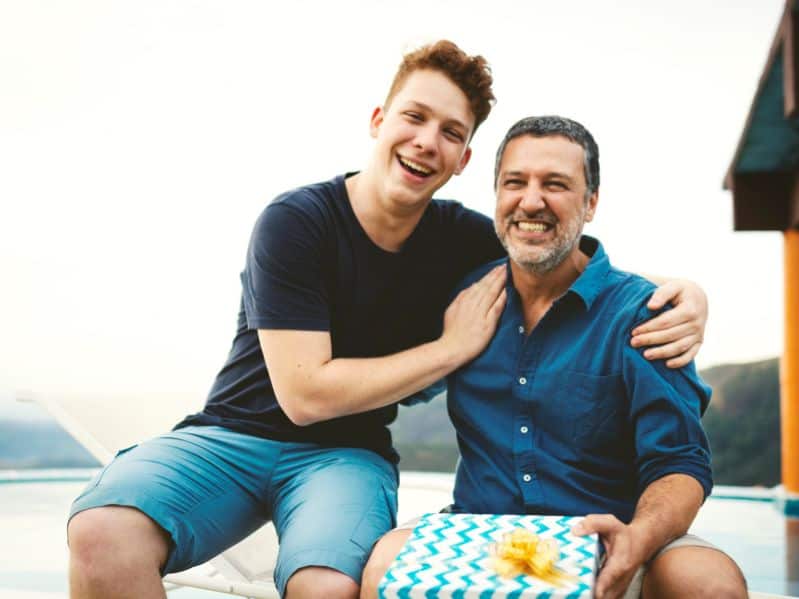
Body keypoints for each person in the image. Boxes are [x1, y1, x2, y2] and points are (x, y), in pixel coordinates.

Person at [66, 44, 708, 599]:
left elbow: (557, 252)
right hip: (230, 435)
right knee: (101, 533)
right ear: (378, 121)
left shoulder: (467, 240)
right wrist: (451, 348)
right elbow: (305, 393)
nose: (428, 140)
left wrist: (684, 294)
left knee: (328, 585)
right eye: (414, 116)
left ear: (462, 160)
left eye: (452, 132)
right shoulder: (295, 222)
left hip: (345, 455)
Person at [360, 116, 747, 599]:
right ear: (497, 195)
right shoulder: (461, 300)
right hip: (481, 538)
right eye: (514, 183)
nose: (531, 200)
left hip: (613, 535)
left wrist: (636, 539)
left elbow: (680, 462)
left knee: (708, 584)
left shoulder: (645, 314)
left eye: (556, 184)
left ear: (591, 203)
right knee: (384, 569)